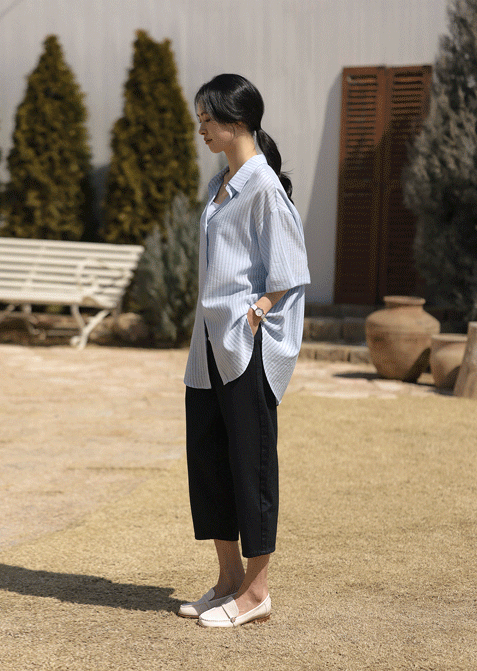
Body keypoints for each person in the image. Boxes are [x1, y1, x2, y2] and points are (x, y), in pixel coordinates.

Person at [179, 74, 310, 628]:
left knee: (251, 465)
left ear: (237, 121)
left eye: (208, 119)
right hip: (208, 346)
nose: (202, 129)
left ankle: (256, 593)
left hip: (244, 345)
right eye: (200, 119)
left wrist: (258, 312)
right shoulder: (222, 183)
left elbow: (290, 268)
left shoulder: (263, 187)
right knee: (209, 460)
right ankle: (228, 580)